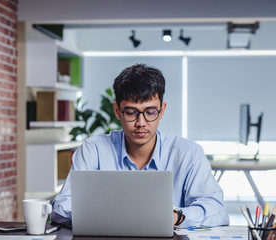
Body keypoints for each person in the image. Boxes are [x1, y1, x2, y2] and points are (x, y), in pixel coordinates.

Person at [51, 63, 230, 229]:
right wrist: (111, 216)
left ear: (162, 110)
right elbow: (61, 207)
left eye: (150, 112)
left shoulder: (188, 153)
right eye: (131, 112)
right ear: (117, 111)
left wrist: (177, 217)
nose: (141, 123)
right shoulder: (94, 150)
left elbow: (217, 211)